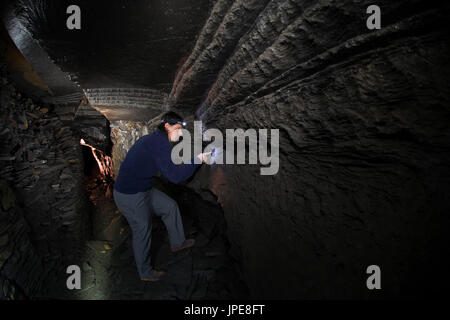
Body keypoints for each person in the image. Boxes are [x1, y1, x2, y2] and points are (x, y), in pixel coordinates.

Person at [113, 111, 210, 281]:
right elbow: (175, 176)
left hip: (144, 189)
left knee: (169, 206)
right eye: (178, 129)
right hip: (129, 195)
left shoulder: (157, 140)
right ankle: (145, 273)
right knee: (142, 229)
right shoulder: (158, 143)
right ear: (167, 126)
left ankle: (177, 243)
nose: (181, 134)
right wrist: (198, 159)